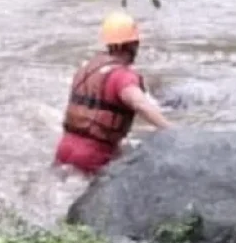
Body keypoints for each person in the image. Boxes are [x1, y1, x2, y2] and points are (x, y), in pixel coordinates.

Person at [53, 11, 172, 176]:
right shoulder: (123, 77)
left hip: (63, 150)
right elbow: (140, 104)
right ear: (132, 45)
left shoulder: (87, 69)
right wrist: (172, 131)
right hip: (93, 157)